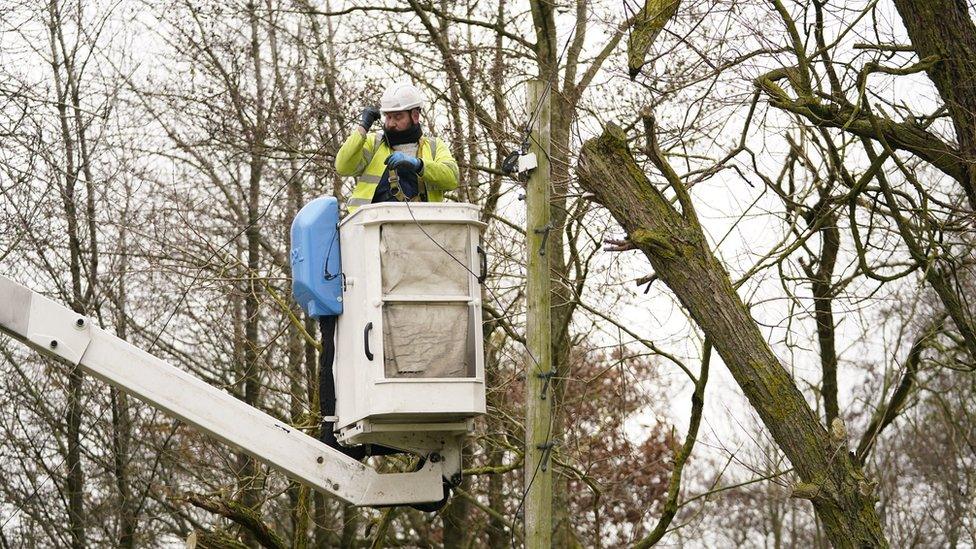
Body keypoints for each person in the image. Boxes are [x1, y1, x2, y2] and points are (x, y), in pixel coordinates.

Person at [335, 83, 459, 211]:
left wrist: (419, 165)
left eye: (397, 116)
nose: (391, 123)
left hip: (424, 225)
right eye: (388, 117)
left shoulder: (434, 146)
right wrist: (363, 128)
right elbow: (343, 167)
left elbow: (452, 178)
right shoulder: (374, 143)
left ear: (415, 116)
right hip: (372, 225)